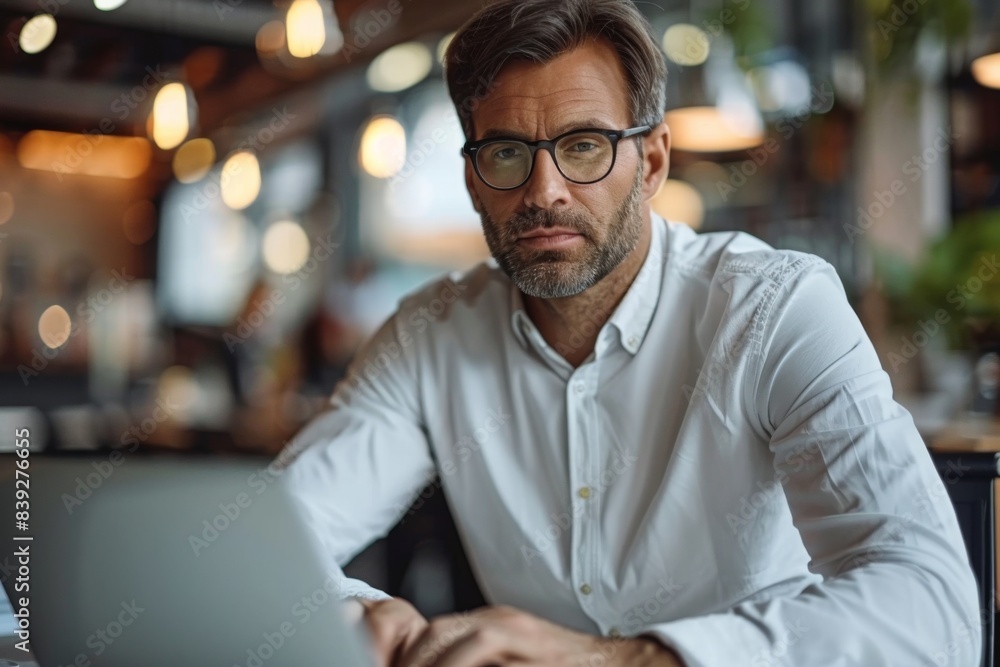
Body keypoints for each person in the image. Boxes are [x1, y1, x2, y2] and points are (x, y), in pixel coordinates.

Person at [277, 1, 982, 665]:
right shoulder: (430, 336)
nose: (544, 189)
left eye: (584, 146)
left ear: (650, 163)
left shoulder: (775, 308)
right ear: (472, 180)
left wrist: (624, 658)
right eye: (506, 153)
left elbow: (933, 609)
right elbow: (275, 536)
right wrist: (364, 613)